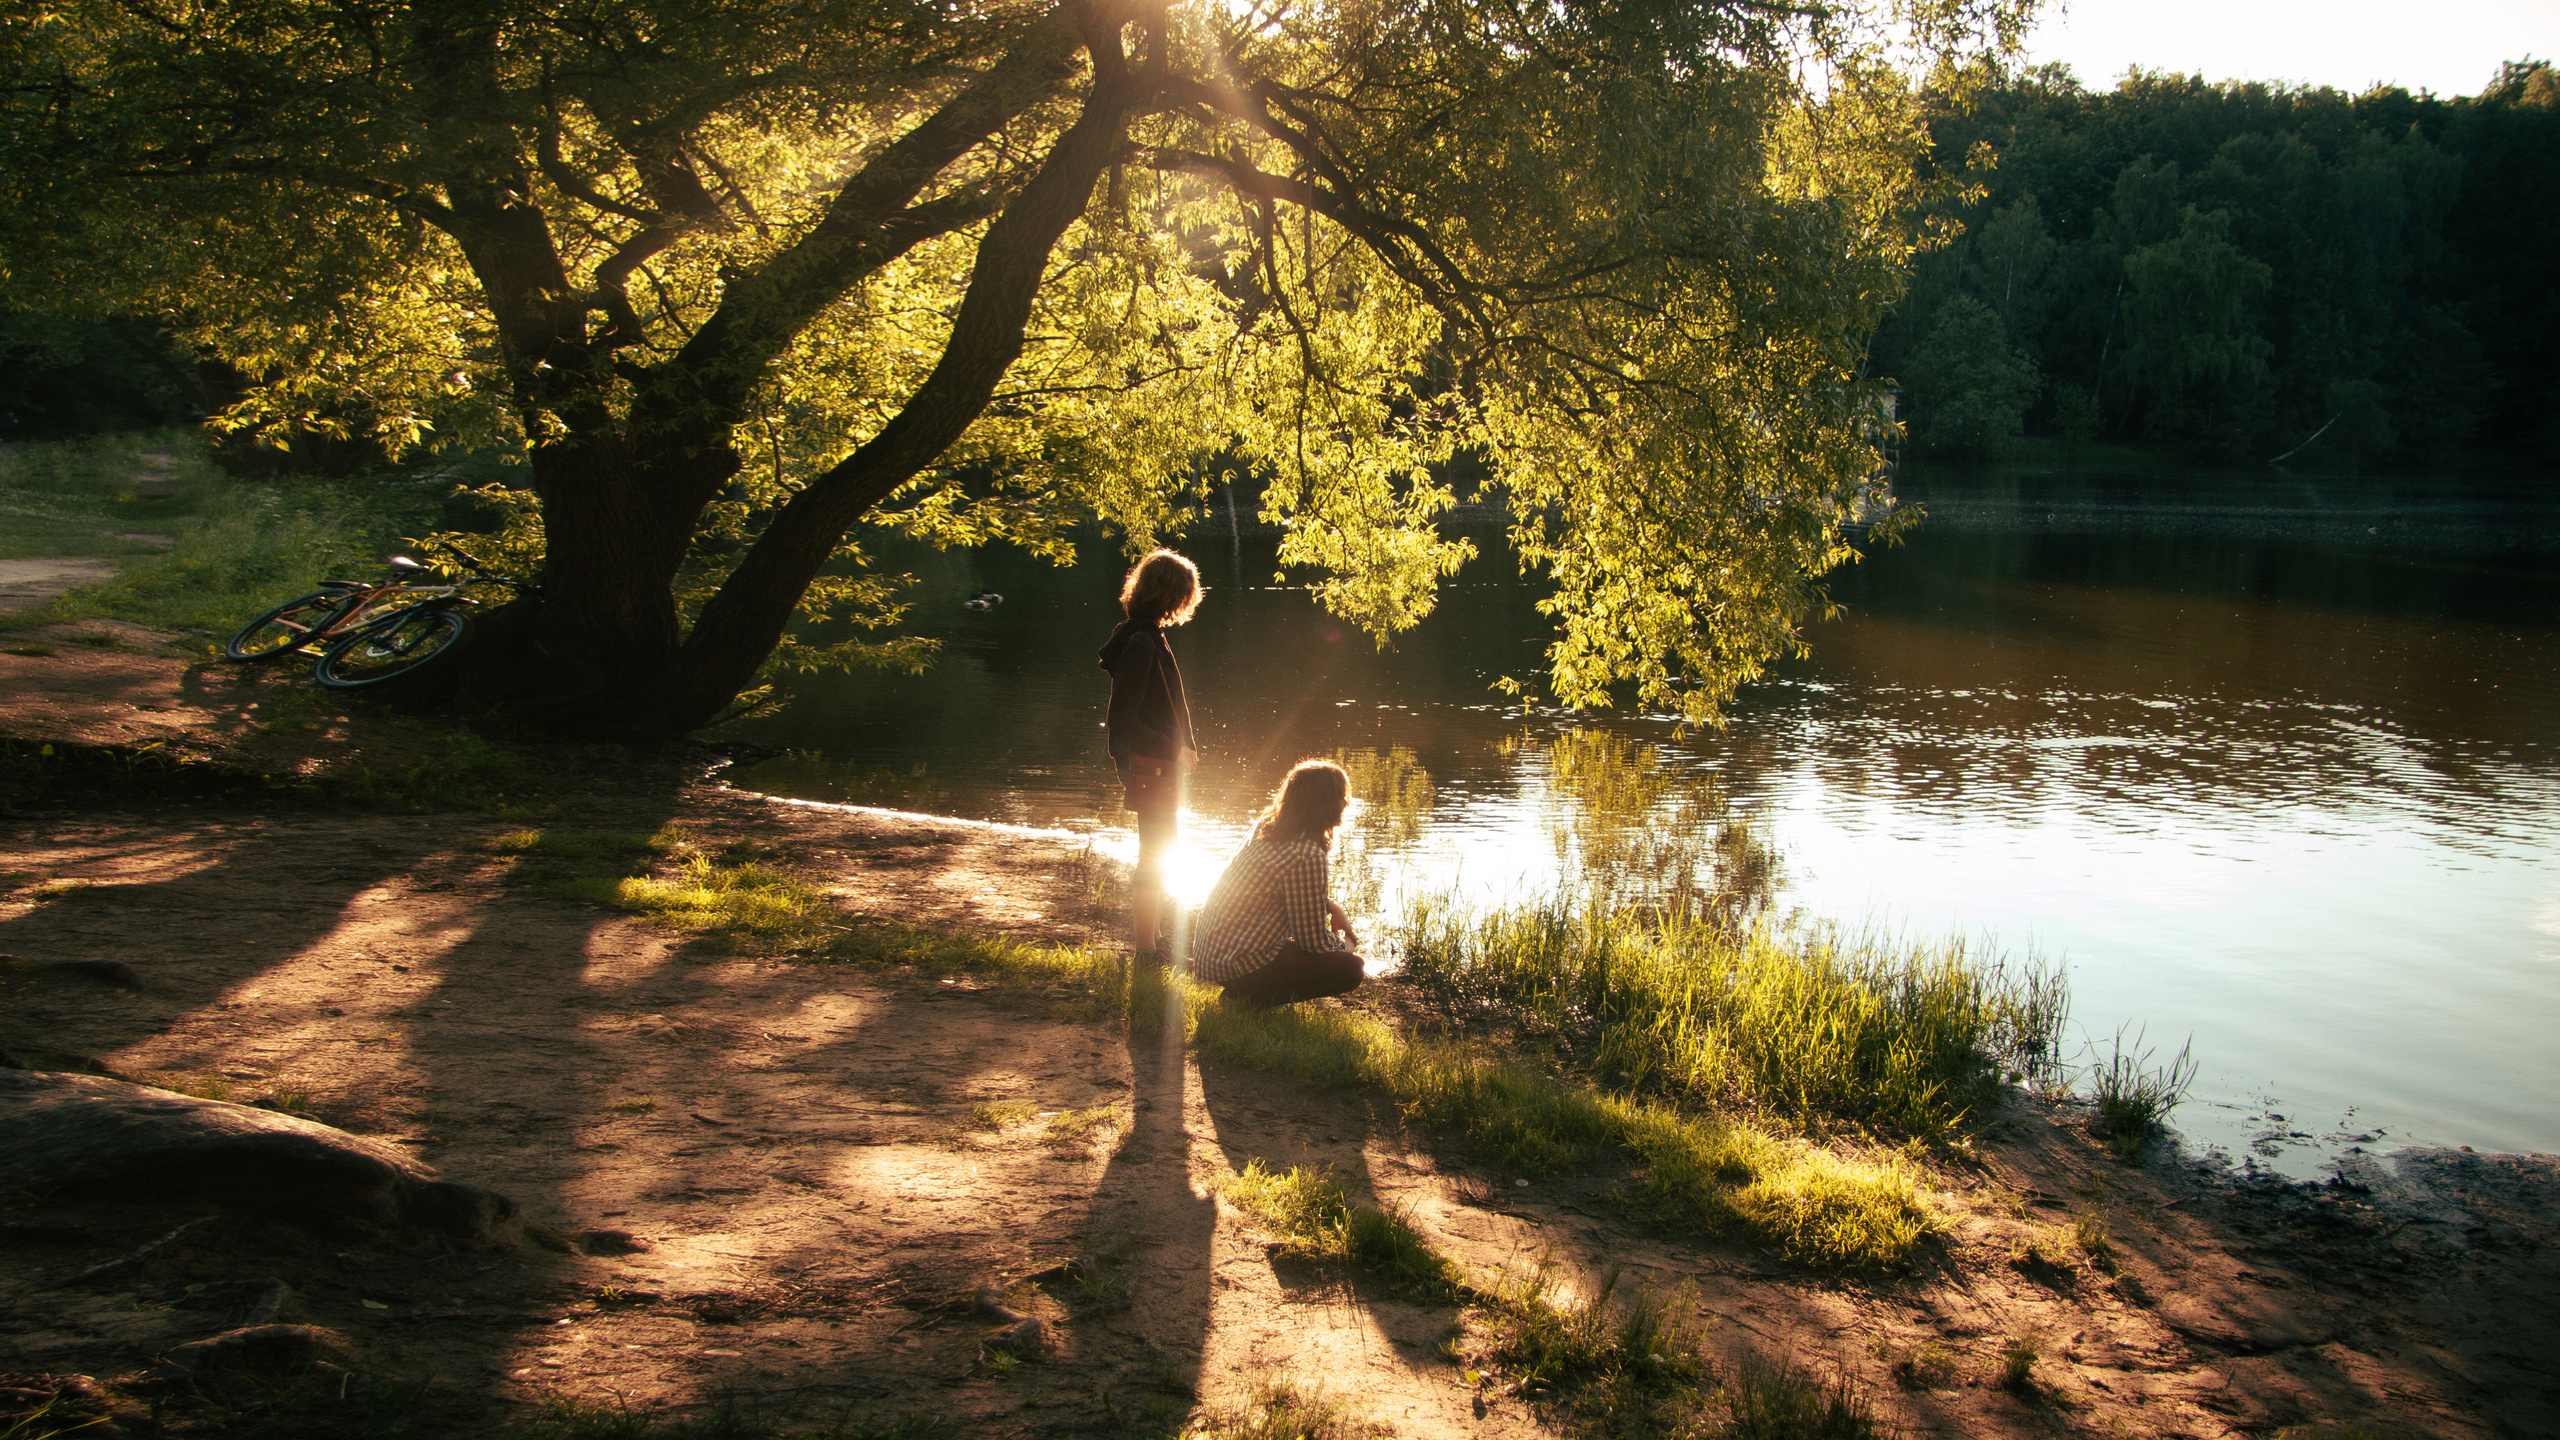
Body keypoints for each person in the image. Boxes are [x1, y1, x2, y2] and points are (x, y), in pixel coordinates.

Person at [1099, 548, 1204, 963]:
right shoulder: (1142, 642)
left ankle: (1155, 942)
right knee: (1156, 850)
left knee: (1163, 847)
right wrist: (1174, 749)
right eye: (1184, 594)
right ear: (1171, 594)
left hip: (1158, 763)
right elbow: (1122, 719)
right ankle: (1146, 950)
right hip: (1151, 764)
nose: (1186, 602)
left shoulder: (1145, 634)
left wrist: (1182, 748)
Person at [1193, 760, 1366, 1007]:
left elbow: (1285, 890)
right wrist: (1346, 945)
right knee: (1352, 969)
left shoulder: (1268, 826)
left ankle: (1244, 991)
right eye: (1341, 796)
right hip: (1237, 962)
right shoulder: (1306, 854)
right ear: (1326, 803)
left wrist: (1332, 906)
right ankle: (1249, 997)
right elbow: (1313, 942)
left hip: (1212, 954)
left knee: (1311, 954)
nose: (1346, 803)